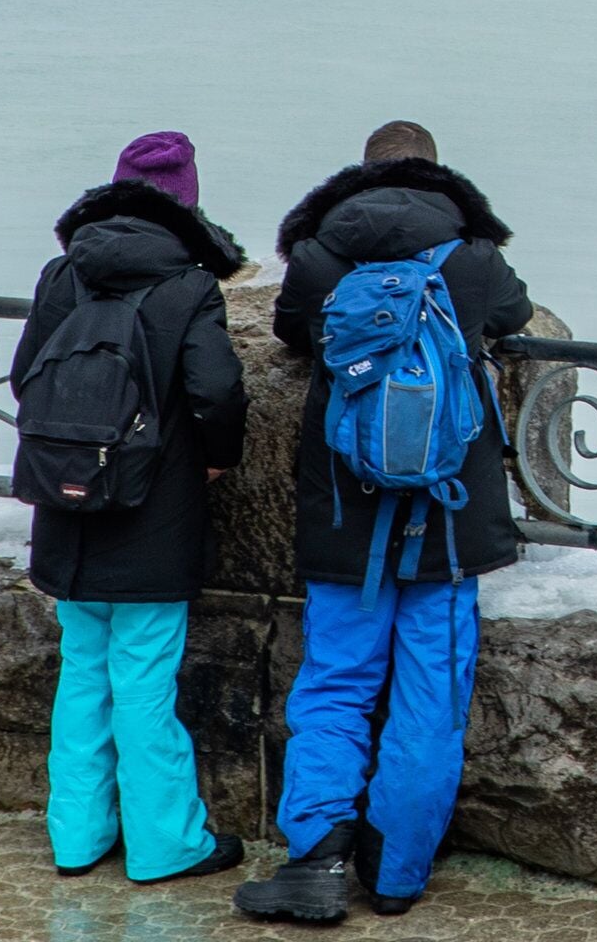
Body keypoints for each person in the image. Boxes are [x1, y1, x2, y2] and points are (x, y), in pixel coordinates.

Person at [237, 121, 531, 926]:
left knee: (334, 683)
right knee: (430, 696)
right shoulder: (470, 254)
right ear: (435, 174)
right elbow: (516, 310)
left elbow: (293, 331)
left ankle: (317, 858)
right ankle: (397, 875)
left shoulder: (322, 252)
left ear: (361, 176)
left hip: (344, 507)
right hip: (448, 515)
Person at [14, 131, 250, 886]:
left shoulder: (63, 274)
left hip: (66, 503)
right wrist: (217, 455)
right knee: (145, 678)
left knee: (82, 670)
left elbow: (26, 376)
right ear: (186, 201)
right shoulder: (187, 285)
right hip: (153, 508)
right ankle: (165, 843)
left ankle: (76, 836)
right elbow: (216, 391)